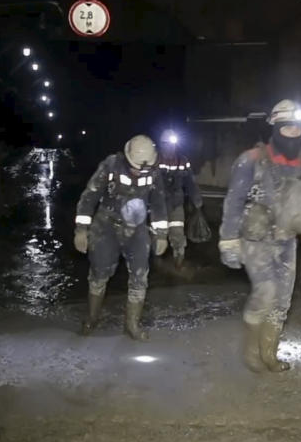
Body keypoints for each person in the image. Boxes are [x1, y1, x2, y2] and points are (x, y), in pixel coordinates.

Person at [218, 99, 301, 372]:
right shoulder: (251, 160)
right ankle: (252, 352)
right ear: (275, 127)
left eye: (297, 129)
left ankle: (269, 352)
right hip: (256, 239)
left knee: (282, 299)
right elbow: (233, 203)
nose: (293, 133)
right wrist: (229, 241)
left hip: (287, 240)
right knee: (266, 292)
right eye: (287, 128)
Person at [73, 134, 169, 341]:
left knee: (140, 275)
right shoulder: (110, 166)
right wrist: (81, 230)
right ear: (127, 157)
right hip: (106, 226)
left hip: (137, 228)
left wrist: (162, 234)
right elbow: (89, 198)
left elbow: (159, 203)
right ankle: (91, 318)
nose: (139, 170)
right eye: (136, 166)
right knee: (99, 273)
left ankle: (132, 325)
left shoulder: (154, 172)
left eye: (144, 167)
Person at [157, 129, 204, 267]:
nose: (170, 148)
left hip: (176, 203)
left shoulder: (182, 160)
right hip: (158, 205)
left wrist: (197, 200)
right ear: (162, 145)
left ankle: (178, 262)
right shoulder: (155, 160)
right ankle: (156, 264)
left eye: (172, 145)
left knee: (177, 233)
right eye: (167, 145)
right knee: (158, 235)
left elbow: (190, 182)